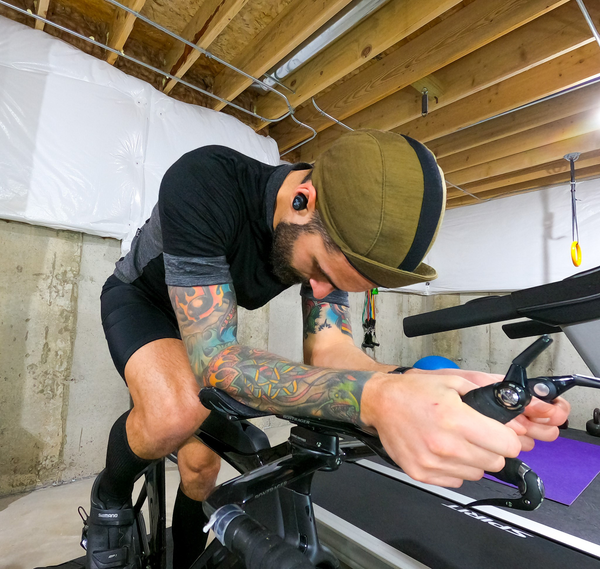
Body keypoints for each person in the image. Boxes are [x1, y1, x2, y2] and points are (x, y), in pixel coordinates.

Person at [86, 130, 569, 569]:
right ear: (303, 198)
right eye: (316, 268)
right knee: (175, 411)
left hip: (204, 327)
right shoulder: (203, 179)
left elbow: (331, 350)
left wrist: (421, 384)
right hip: (144, 303)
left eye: (334, 284)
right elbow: (216, 363)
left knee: (199, 469)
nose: (319, 291)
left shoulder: (333, 234)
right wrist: (373, 401)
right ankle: (109, 493)